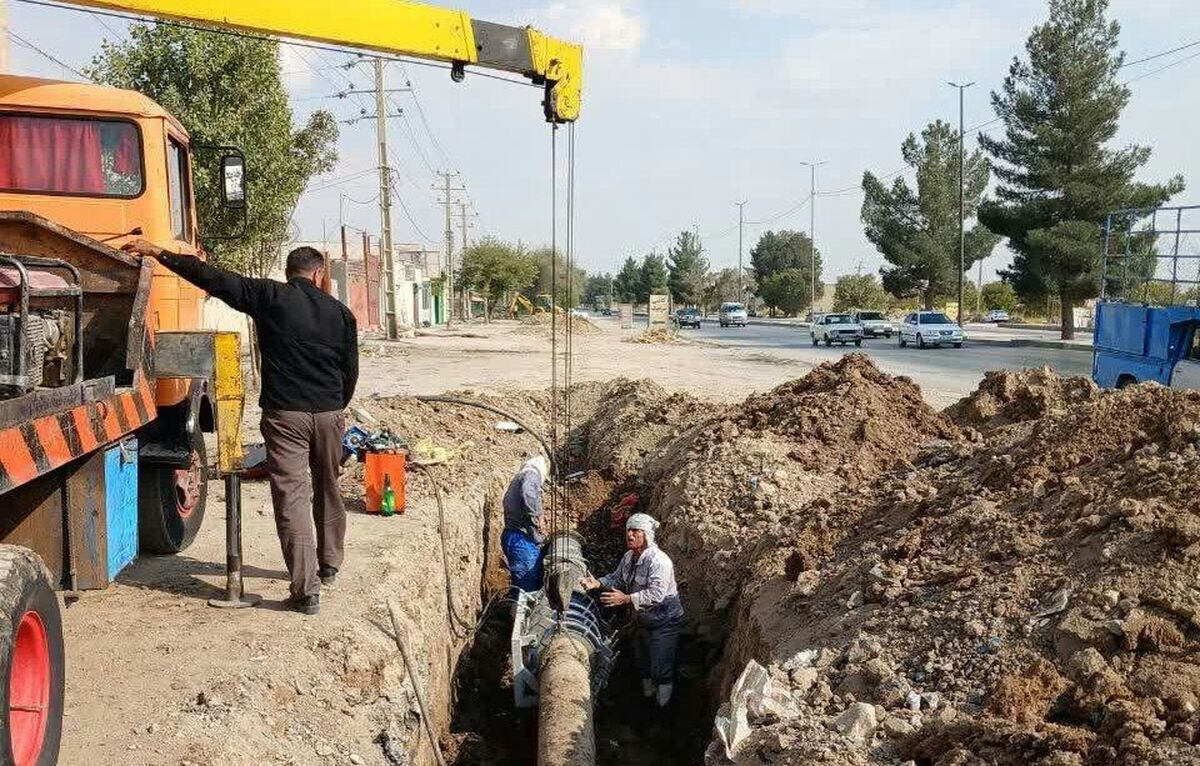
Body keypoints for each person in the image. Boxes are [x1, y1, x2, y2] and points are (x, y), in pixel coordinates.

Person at [123, 241, 358, 616]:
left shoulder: (269, 296)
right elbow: (350, 371)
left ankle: (307, 590)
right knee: (328, 485)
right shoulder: (342, 313)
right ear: (319, 274)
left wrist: (158, 253)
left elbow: (214, 279)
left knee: (292, 496)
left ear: (288, 272)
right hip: (330, 413)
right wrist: (335, 405)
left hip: (286, 416)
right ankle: (329, 564)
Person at [581, 513, 683, 707]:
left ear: (647, 535)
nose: (630, 535)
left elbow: (656, 595)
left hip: (664, 618)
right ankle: (646, 698)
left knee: (660, 663)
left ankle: (663, 708)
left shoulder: (659, 562)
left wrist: (625, 599)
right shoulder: (629, 557)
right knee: (640, 657)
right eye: (628, 530)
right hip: (641, 617)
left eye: (636, 531)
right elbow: (617, 578)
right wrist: (598, 583)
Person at [502, 455, 549, 593]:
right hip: (520, 538)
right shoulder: (531, 474)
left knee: (528, 581)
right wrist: (538, 515)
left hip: (519, 537)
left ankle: (518, 611)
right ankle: (519, 613)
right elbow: (528, 492)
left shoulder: (522, 476)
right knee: (526, 584)